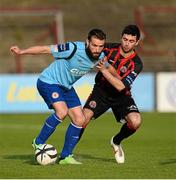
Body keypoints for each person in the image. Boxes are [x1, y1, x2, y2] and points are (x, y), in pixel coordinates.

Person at [10, 28, 106, 164]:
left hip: (66, 87)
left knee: (80, 119)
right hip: (49, 81)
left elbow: (108, 68)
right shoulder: (72, 48)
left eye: (100, 46)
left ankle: (65, 157)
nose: (97, 49)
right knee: (62, 111)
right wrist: (22, 52)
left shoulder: (101, 57)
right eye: (94, 45)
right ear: (87, 42)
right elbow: (45, 49)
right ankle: (38, 142)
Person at [79, 24, 143, 164]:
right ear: (121, 38)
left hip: (121, 96)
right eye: (125, 39)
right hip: (101, 91)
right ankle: (67, 154)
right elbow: (89, 47)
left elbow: (120, 86)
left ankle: (116, 141)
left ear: (137, 42)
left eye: (131, 41)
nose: (127, 43)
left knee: (136, 121)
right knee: (82, 120)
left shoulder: (137, 63)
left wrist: (104, 70)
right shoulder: (107, 48)